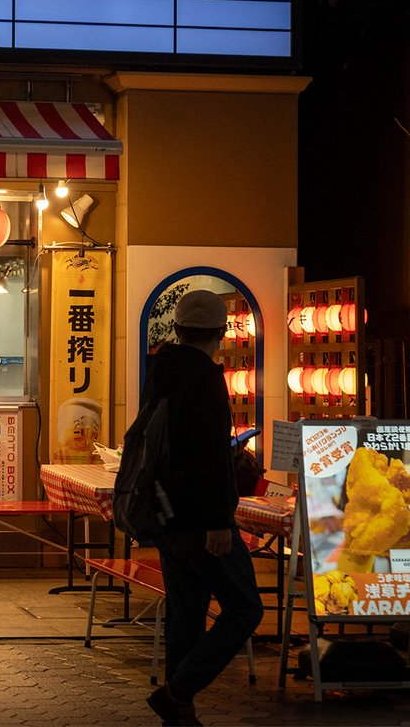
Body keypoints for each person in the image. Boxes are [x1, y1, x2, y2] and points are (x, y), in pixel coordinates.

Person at [142, 289, 263, 727]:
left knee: (186, 613)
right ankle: (179, 690)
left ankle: (179, 711)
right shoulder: (206, 378)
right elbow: (210, 458)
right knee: (246, 608)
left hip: (166, 514)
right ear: (222, 332)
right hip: (200, 518)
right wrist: (218, 522)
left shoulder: (160, 372)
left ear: (177, 329)